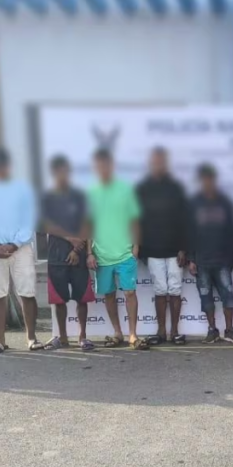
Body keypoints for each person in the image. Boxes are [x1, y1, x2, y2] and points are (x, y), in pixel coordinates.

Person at [0, 148, 42, 353]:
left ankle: (32, 338)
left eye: (2, 166)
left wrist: (15, 244)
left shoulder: (22, 189)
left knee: (27, 292)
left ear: (8, 166)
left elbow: (29, 220)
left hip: (20, 249)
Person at [87, 148, 147, 350]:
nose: (102, 168)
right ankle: (117, 332)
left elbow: (135, 220)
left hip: (125, 254)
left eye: (105, 165)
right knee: (109, 295)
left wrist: (136, 246)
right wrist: (89, 252)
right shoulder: (91, 193)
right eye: (99, 165)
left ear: (111, 166)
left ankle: (133, 335)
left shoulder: (125, 190)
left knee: (130, 293)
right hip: (102, 255)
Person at [41, 155, 95, 352]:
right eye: (58, 171)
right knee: (59, 300)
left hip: (78, 256)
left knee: (82, 299)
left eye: (65, 171)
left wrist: (76, 248)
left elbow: (86, 224)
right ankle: (63, 338)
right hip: (56, 256)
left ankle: (83, 337)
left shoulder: (79, 197)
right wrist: (69, 239)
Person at [136, 147, 189, 345]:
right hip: (152, 249)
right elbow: (137, 219)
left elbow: (185, 220)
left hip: (175, 249)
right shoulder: (142, 188)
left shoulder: (176, 187)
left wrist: (183, 248)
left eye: (161, 161)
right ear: (151, 164)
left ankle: (174, 331)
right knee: (160, 291)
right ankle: (161, 331)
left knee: (175, 290)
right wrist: (138, 247)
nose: (158, 165)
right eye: (155, 162)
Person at [187, 163, 233, 344]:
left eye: (210, 179)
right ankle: (212, 330)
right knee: (206, 299)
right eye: (204, 179)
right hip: (202, 261)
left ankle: (230, 330)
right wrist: (191, 259)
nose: (207, 182)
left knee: (228, 297)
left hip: (222, 260)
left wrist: (232, 257)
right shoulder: (194, 203)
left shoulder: (224, 202)